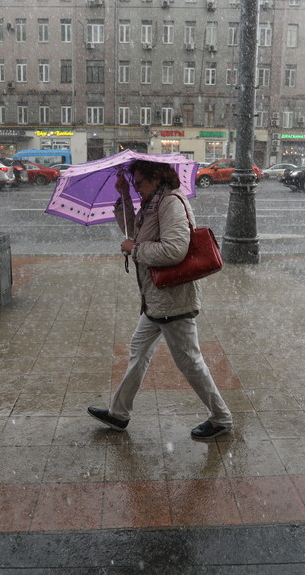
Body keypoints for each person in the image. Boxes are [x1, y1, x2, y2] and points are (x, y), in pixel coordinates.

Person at [87, 160, 233, 440]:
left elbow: (174, 250)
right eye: (134, 183)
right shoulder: (153, 203)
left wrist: (136, 250)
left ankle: (221, 418)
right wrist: (123, 196)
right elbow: (133, 232)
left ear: (156, 178)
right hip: (156, 301)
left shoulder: (171, 203)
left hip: (174, 301)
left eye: (139, 182)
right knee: (138, 353)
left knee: (190, 361)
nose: (137, 187)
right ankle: (119, 414)